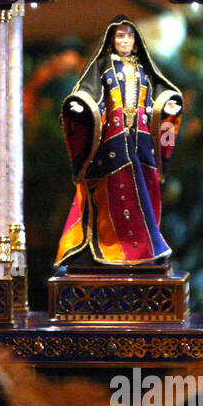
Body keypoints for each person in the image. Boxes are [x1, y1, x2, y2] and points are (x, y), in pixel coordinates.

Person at [54, 16, 184, 268]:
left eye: (129, 36)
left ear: (136, 42)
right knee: (111, 194)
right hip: (111, 147)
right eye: (119, 36)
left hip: (142, 144)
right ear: (111, 41)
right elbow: (89, 97)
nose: (124, 41)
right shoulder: (103, 68)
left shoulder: (144, 70)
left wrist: (168, 108)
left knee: (145, 194)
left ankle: (147, 247)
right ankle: (108, 246)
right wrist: (79, 109)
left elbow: (161, 99)